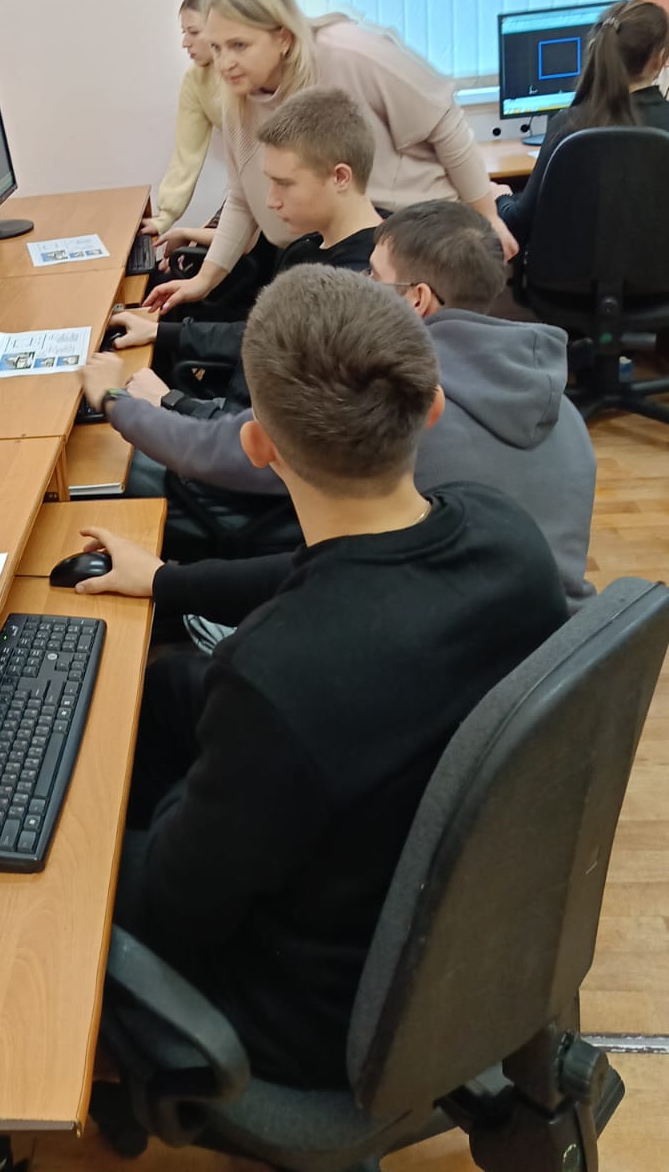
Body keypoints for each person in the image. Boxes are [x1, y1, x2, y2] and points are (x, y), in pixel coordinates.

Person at [111, 266, 567, 1089]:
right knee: (168, 693)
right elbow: (313, 569)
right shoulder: (503, 531)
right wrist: (166, 582)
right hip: (432, 907)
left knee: (74, 845)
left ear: (259, 445)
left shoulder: (277, 675)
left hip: (315, 1014)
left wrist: (171, 803)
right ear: (431, 409)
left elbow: (178, 905)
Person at [80, 202, 595, 622]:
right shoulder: (557, 403)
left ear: (417, 300)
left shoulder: (393, 393)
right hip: (549, 649)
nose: (362, 287)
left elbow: (226, 454)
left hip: (449, 653)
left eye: (374, 277)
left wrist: (113, 400)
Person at [82, 86, 383, 557]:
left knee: (90, 479)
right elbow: (257, 337)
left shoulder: (357, 284)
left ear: (340, 177)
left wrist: (164, 401)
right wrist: (161, 332)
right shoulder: (311, 248)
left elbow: (267, 441)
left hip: (240, 487)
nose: (271, 201)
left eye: (284, 184)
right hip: (230, 429)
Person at [145, 0, 517, 318]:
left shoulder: (347, 51)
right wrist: (204, 280)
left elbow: (443, 120)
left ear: (283, 37)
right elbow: (243, 200)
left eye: (239, 45)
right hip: (331, 250)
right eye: (217, 48)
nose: (225, 62)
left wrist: (487, 214)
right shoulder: (237, 94)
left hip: (410, 238)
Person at [495, 0, 669, 245]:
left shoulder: (568, 125)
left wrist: (501, 197)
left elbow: (520, 224)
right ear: (659, 59)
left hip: (567, 271)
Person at [140, 0, 227, 239]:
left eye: (193, 32)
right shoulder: (195, 80)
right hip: (249, 193)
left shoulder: (254, 73)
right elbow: (187, 154)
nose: (184, 43)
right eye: (184, 32)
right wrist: (164, 218)